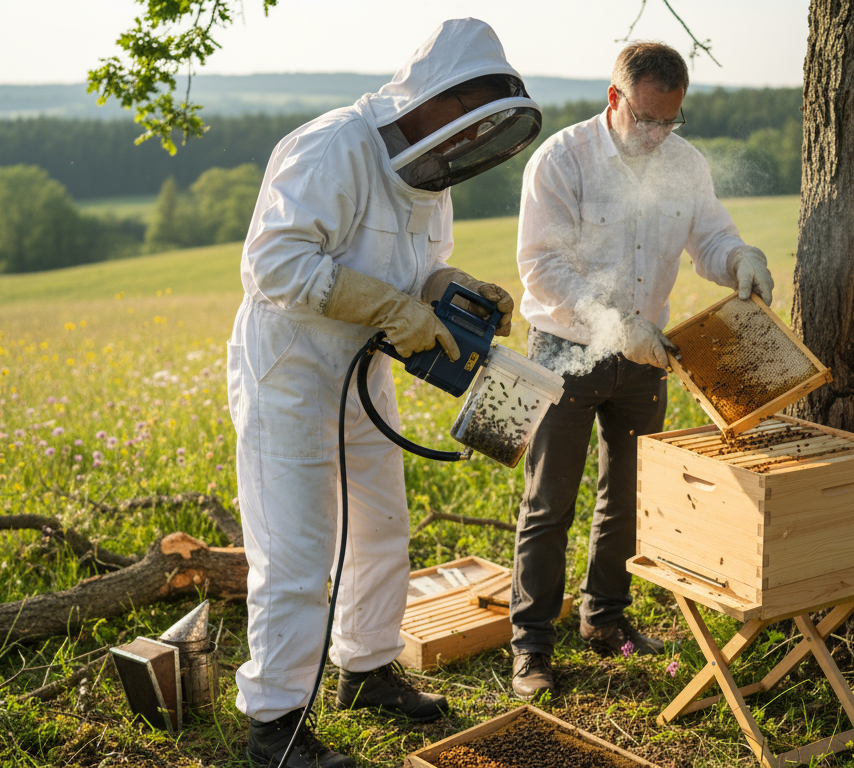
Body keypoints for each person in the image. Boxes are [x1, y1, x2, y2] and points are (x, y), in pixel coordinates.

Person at [226, 19, 541, 767]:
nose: (461, 151)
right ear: (429, 100)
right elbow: (273, 267)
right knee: (297, 552)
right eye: (459, 129)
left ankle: (364, 669)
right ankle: (274, 725)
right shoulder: (331, 146)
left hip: (361, 370)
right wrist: (394, 310)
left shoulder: (428, 172)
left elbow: (419, 269)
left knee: (381, 530)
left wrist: (449, 288)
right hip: (291, 376)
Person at [509, 42, 774, 700]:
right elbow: (543, 264)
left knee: (626, 497)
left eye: (670, 121)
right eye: (647, 120)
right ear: (614, 100)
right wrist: (612, 324)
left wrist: (739, 257)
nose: (658, 136)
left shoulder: (683, 164)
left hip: (645, 357)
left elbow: (708, 236)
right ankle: (532, 646)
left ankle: (605, 618)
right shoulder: (562, 159)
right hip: (567, 350)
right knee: (550, 505)